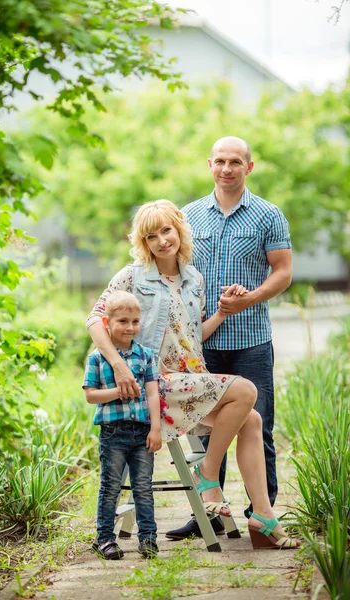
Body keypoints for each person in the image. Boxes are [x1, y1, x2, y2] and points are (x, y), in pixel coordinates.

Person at [86, 199, 299, 550]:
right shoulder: (131, 276)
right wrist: (120, 365)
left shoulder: (193, 279)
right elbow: (95, 319)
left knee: (253, 420)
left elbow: (191, 336)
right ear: (144, 242)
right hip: (154, 384)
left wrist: (221, 313)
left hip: (187, 381)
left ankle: (262, 515)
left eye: (166, 230)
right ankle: (208, 474)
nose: (161, 241)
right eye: (151, 235)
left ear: (179, 231)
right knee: (245, 391)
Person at [167, 136, 292, 541]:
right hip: (201, 343)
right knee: (205, 428)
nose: (227, 168)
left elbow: (283, 272)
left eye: (235, 161)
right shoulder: (188, 216)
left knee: (260, 425)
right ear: (209, 164)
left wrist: (252, 298)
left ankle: (261, 513)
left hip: (252, 338)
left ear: (248, 167)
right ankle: (211, 515)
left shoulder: (268, 215)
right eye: (220, 161)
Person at [83, 290, 162, 560]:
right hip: (113, 433)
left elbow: (153, 393)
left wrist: (156, 429)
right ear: (107, 323)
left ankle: (148, 538)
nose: (130, 327)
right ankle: (105, 539)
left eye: (135, 321)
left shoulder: (146, 356)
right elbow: (90, 395)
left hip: (142, 433)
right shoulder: (97, 358)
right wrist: (118, 392)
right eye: (123, 321)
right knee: (111, 487)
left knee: (143, 486)